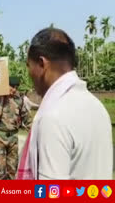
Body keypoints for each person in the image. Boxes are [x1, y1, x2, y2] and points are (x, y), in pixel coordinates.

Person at [17, 28, 113, 180]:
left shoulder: (53, 117)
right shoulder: (98, 108)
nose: (29, 74)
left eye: (29, 66)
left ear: (42, 64)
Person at [0, 77, 31, 180]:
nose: (13, 89)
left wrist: (32, 129)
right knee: (0, 170)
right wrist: (1, 99)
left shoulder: (19, 100)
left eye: (16, 87)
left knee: (12, 168)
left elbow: (26, 117)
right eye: (11, 86)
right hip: (0, 137)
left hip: (13, 137)